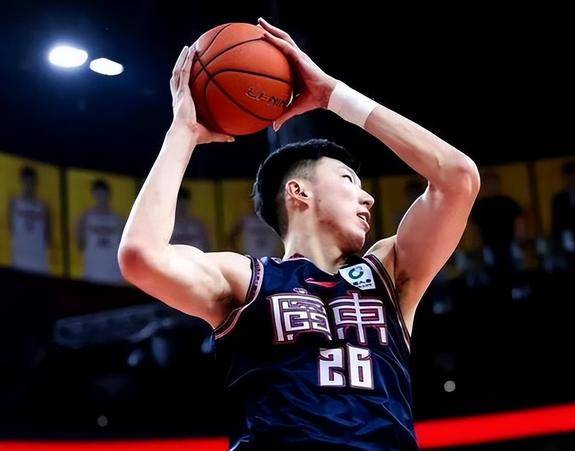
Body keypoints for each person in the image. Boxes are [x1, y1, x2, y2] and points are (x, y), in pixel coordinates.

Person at [118, 18, 480, 450]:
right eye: (348, 180)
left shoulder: (388, 272)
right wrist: (183, 133)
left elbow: (458, 178)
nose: (367, 198)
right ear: (298, 192)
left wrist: (334, 96)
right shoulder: (246, 279)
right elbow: (141, 255)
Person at [76, 179, 125, 284]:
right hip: (92, 271)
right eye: (98, 194)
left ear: (108, 194)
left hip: (113, 272)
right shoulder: (85, 218)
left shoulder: (118, 220)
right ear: (93, 195)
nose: (101, 197)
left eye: (103, 193)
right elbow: (80, 244)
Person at [9, 166, 51, 274]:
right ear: (21, 182)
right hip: (19, 259)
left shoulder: (43, 207)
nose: (29, 186)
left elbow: (48, 237)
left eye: (32, 183)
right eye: (26, 182)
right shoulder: (14, 203)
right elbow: (12, 229)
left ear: (36, 184)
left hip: (39, 262)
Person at [170, 187, 211, 251]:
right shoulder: (168, 226)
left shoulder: (197, 225)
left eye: (184, 204)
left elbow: (208, 246)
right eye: (179, 203)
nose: (182, 207)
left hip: (196, 256)